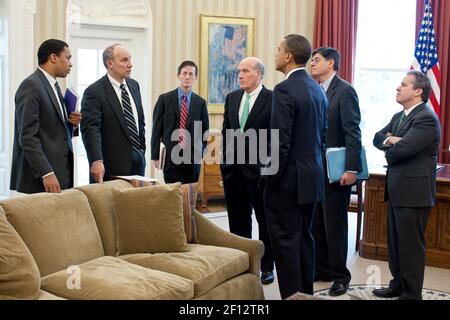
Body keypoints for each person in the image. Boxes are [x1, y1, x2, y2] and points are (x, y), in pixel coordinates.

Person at [264, 34, 328, 298]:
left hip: (287, 181)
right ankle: (305, 294)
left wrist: (269, 179)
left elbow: (280, 142)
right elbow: (322, 138)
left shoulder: (285, 89)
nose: (276, 53)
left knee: (286, 244)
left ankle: (292, 295)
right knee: (304, 239)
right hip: (312, 177)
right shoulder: (317, 88)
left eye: (278, 49)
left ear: (288, 56)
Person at [372, 71, 441, 300]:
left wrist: (393, 143)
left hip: (414, 194)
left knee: (410, 248)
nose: (397, 88)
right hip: (397, 191)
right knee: (396, 245)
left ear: (418, 91)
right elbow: (376, 137)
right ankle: (398, 285)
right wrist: (391, 139)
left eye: (403, 85)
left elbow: (400, 152)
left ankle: (411, 294)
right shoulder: (399, 116)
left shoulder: (426, 117)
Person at [310, 47, 362, 296]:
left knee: (335, 227)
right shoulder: (315, 89)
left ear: (331, 63)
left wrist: (352, 169)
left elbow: (353, 132)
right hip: (315, 170)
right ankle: (321, 269)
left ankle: (341, 277)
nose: (312, 64)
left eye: (317, 60)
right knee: (316, 224)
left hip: (337, 171)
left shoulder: (345, 91)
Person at [221, 57, 275, 285]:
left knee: (265, 220)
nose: (240, 75)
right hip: (234, 172)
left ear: (259, 75)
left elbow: (275, 137)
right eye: (239, 71)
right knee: (237, 220)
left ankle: (266, 266)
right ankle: (243, 262)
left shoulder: (272, 99)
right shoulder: (232, 98)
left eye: (245, 71)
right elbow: (226, 133)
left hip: (260, 172)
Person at [10, 39, 81, 194]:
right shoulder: (31, 86)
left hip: (61, 173)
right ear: (53, 57)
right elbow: (28, 137)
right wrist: (46, 173)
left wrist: (73, 125)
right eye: (68, 57)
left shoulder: (54, 86)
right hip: (41, 179)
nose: (70, 64)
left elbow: (54, 130)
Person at [81, 44, 146, 183]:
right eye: (124, 60)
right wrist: (96, 161)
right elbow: (91, 130)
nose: (130, 65)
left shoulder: (134, 86)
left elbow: (140, 122)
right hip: (110, 168)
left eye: (130, 60)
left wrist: (142, 152)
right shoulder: (94, 92)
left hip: (138, 164)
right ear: (109, 63)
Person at [151, 61, 209, 184]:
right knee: (172, 196)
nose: (187, 77)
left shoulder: (200, 103)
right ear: (178, 75)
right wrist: (155, 155)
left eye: (191, 74)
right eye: (184, 73)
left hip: (192, 159)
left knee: (190, 195)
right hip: (170, 158)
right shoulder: (164, 99)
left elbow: (205, 131)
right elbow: (156, 129)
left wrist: (201, 152)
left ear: (195, 77)